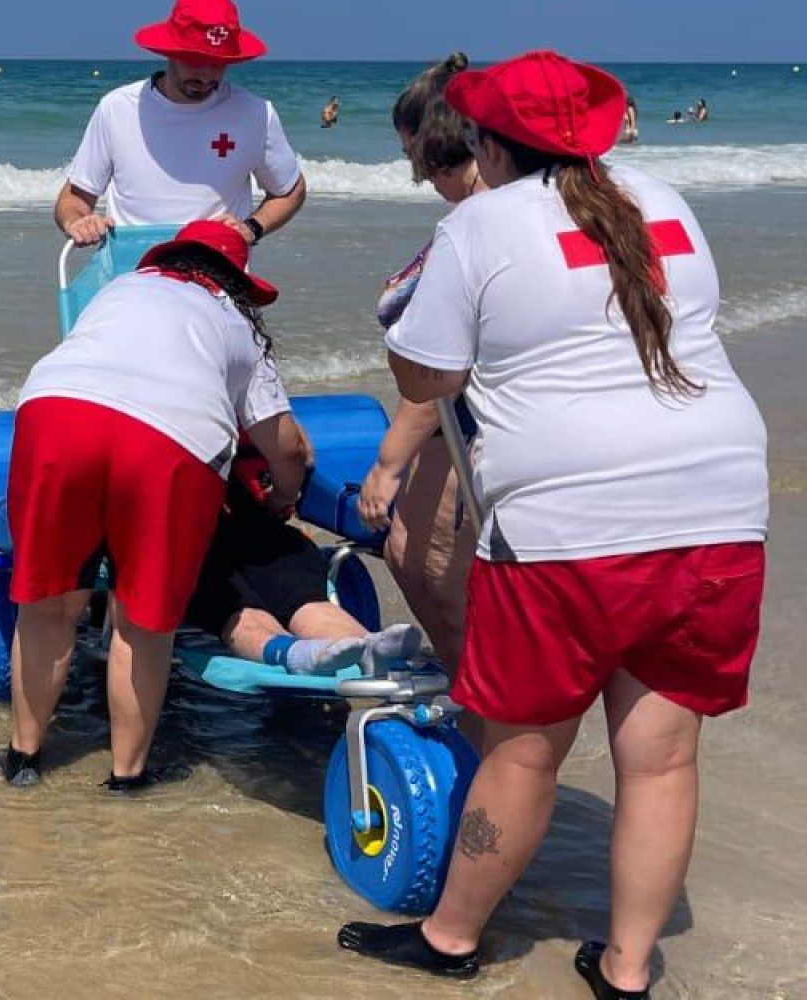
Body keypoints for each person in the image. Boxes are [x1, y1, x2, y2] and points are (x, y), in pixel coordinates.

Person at [337, 52, 768, 1000]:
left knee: (525, 746)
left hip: (570, 527)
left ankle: (451, 940)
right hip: (721, 504)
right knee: (660, 760)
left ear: (488, 143)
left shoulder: (482, 223)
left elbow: (425, 377)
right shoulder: (662, 196)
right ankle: (625, 970)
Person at [0, 221, 294, 792]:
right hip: (170, 440)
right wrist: (283, 493)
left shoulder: (120, 289)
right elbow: (284, 445)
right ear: (237, 281)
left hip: (57, 412)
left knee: (49, 608)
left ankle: (23, 757)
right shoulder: (234, 321)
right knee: (142, 624)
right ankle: (126, 777)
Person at [359, 52, 482, 663]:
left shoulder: (474, 228)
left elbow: (439, 366)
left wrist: (387, 464)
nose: (419, 177)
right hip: (468, 417)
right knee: (409, 555)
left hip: (472, 422)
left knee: (437, 576)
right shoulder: (543, 207)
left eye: (417, 161)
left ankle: (486, 722)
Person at [55, 0, 306, 249]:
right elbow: (75, 197)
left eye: (218, 63)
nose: (206, 75)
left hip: (218, 271)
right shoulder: (117, 108)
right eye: (195, 61)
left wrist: (252, 228)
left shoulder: (255, 113)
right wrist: (78, 222)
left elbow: (290, 190)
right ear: (170, 53)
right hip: (130, 273)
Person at [190, 441, 425, 675]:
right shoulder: (246, 403)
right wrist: (283, 496)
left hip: (207, 528)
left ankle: (365, 646)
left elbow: (295, 449)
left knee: (298, 598)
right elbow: (294, 450)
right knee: (252, 604)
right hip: (228, 529)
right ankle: (298, 652)